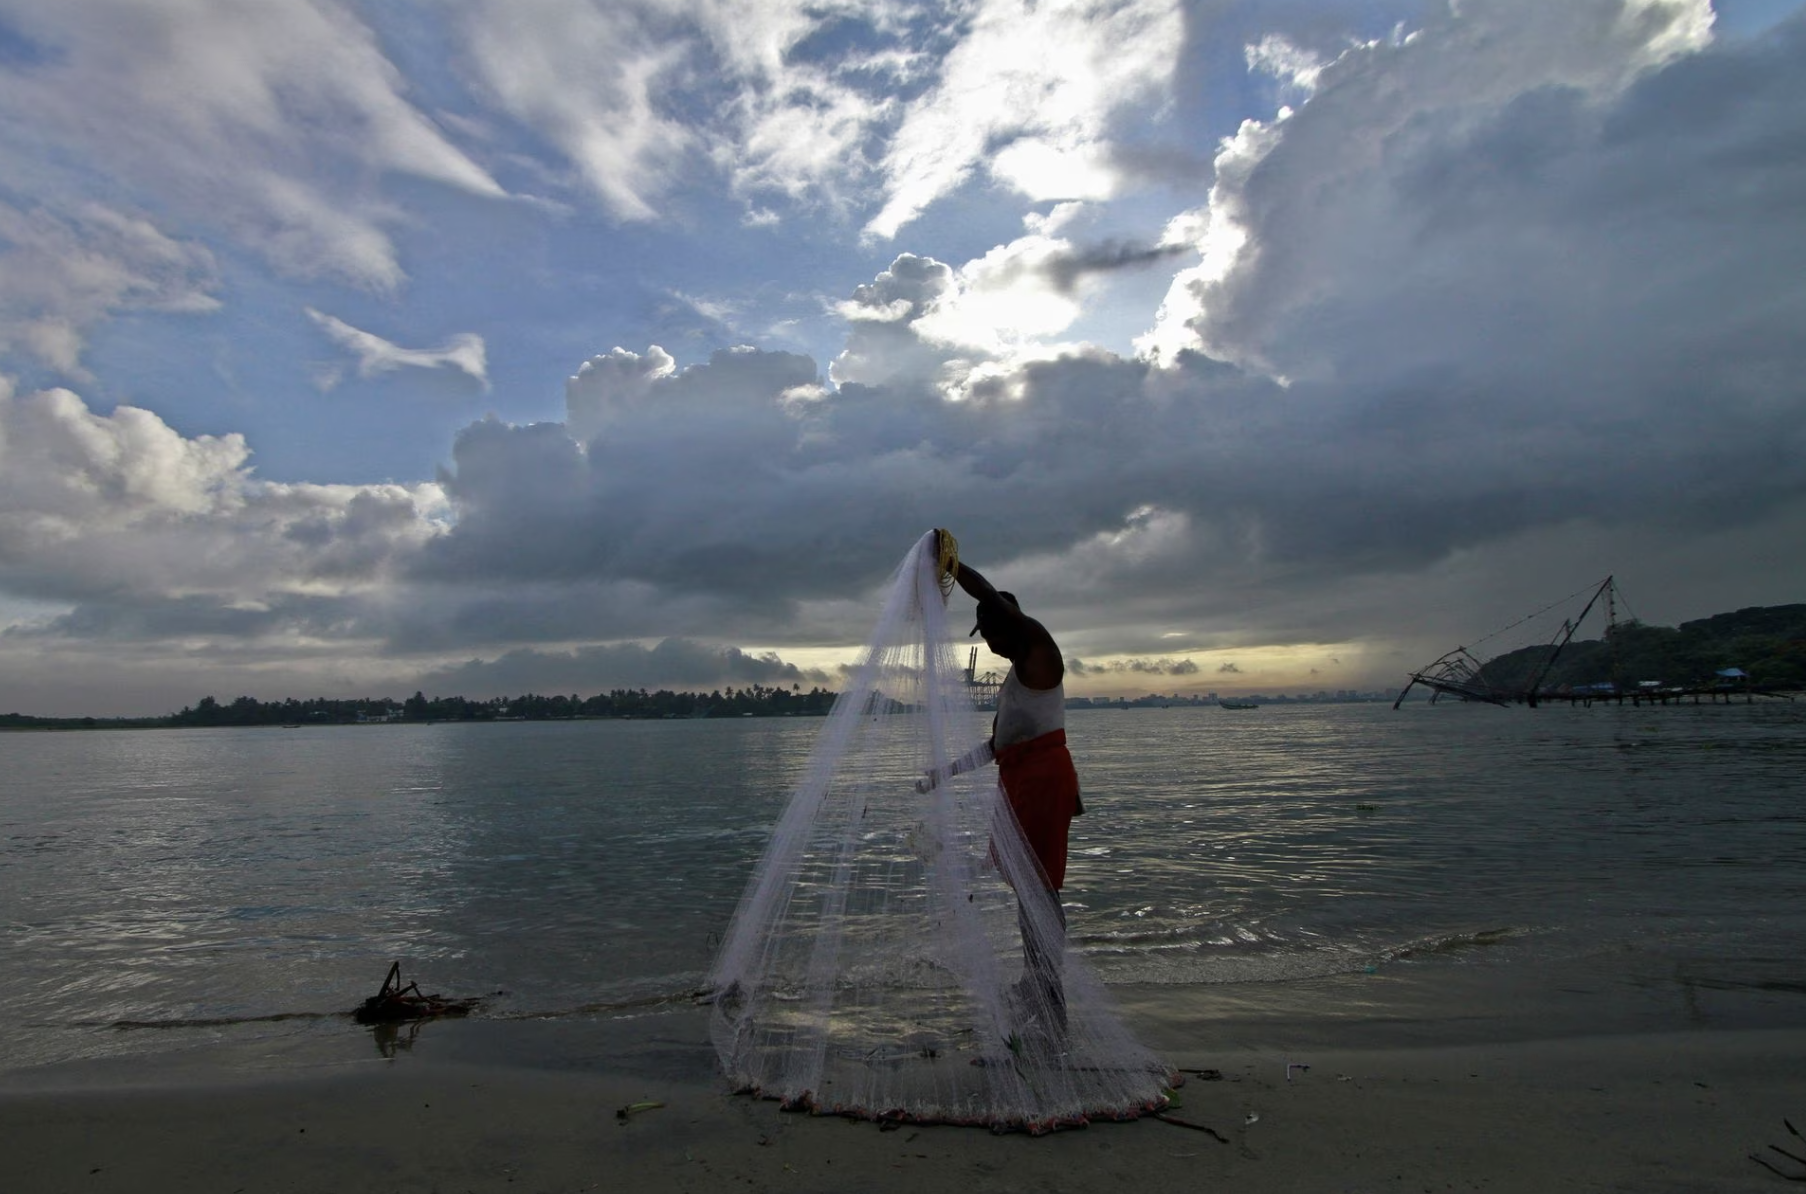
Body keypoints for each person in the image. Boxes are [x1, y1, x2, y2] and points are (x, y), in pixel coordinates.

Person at [934, 530, 1083, 1028]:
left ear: (1006, 624)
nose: (990, 645)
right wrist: (942, 774)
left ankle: (1049, 990)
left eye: (991, 632)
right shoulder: (1016, 682)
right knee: (1027, 888)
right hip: (1019, 782)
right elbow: (998, 748)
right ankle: (1034, 978)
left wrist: (952, 566)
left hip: (1042, 781)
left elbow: (990, 598)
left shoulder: (1040, 654)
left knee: (1039, 888)